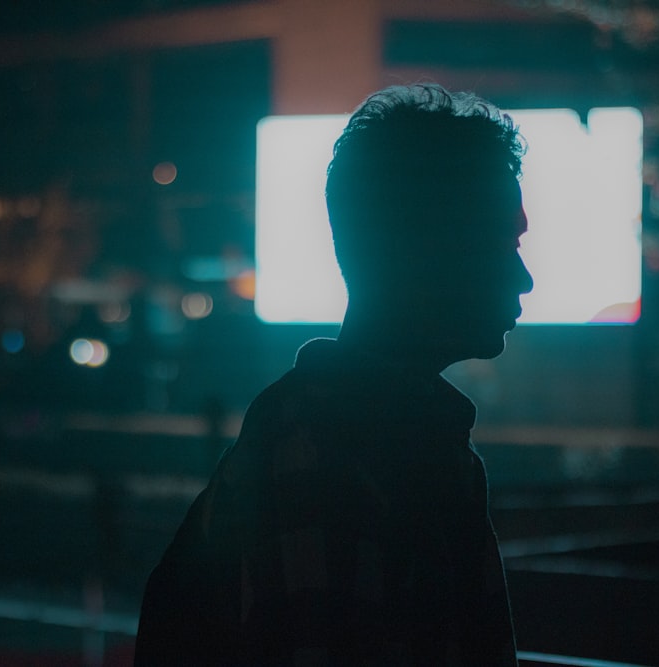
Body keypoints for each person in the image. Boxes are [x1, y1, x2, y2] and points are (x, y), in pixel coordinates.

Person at [134, 83, 533, 666]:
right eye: (502, 244)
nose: (523, 278)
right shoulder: (326, 457)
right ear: (425, 250)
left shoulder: (361, 440)